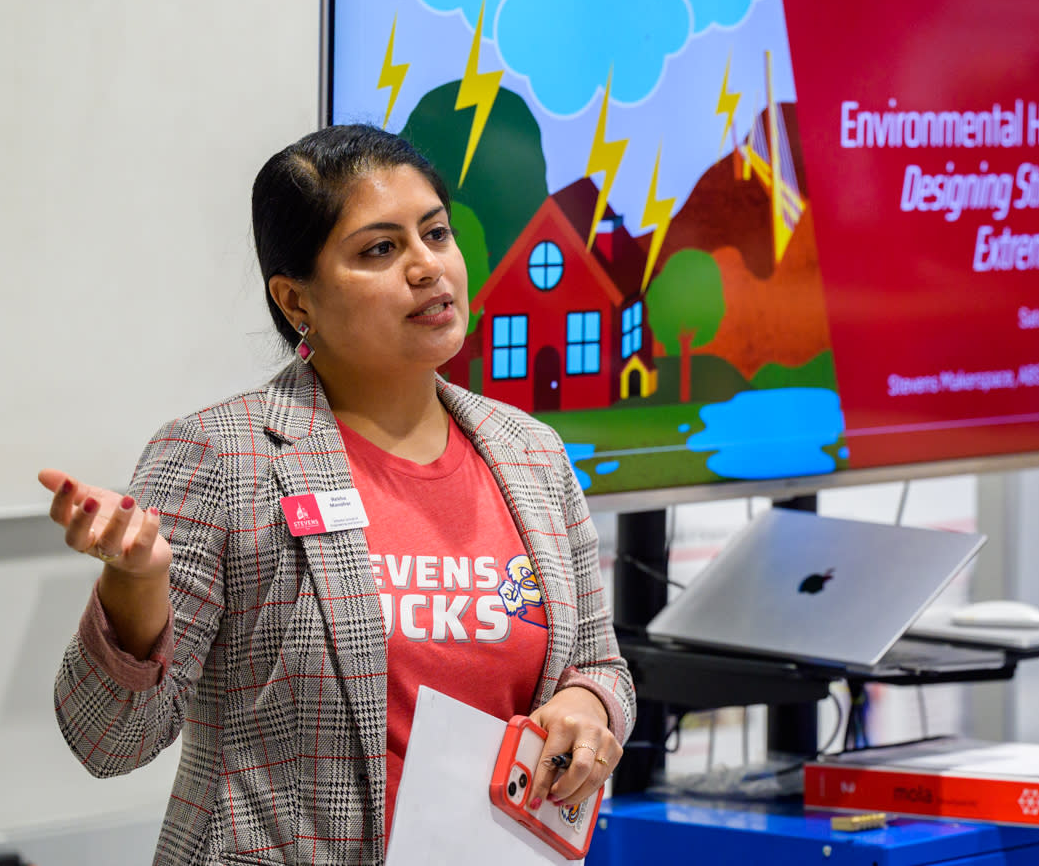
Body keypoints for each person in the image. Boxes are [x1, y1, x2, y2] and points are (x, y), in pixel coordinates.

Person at [40, 124, 633, 865]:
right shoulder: (223, 460)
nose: (427, 267)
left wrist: (588, 705)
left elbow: (601, 667)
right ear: (296, 301)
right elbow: (108, 741)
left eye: (436, 234)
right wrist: (135, 589)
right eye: (380, 250)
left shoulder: (531, 456)